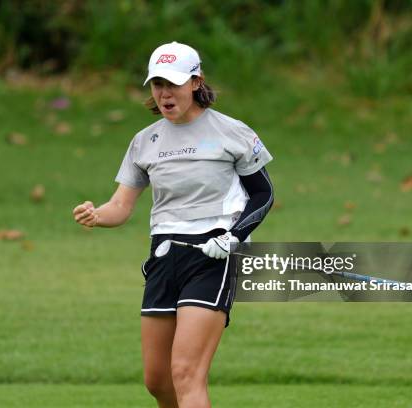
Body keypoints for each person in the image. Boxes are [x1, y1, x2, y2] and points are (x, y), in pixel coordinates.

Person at [73, 41, 274, 408]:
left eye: (174, 84)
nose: (164, 93)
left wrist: (234, 237)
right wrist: (96, 215)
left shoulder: (232, 132)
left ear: (195, 82)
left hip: (212, 256)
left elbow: (263, 195)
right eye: (157, 84)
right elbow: (121, 205)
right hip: (163, 258)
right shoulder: (144, 141)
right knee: (158, 380)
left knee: (185, 373)